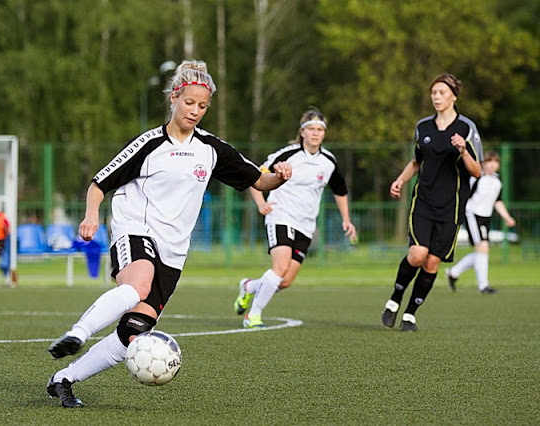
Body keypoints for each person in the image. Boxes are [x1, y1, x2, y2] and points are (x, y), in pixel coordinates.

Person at [45, 59, 292, 408]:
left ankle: (64, 379)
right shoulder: (149, 144)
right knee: (138, 285)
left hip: (173, 251)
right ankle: (78, 333)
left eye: (202, 106)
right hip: (135, 228)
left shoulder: (211, 149)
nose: (195, 111)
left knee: (134, 330)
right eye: (189, 102)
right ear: (174, 98)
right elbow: (99, 183)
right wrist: (90, 216)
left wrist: (280, 176)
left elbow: (259, 180)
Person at [233, 109, 357, 328]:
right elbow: (256, 175)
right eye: (311, 129)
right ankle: (253, 316)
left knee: (286, 280)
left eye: (320, 129)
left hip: (306, 225)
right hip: (281, 215)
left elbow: (340, 190)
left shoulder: (329, 161)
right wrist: (261, 203)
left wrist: (346, 219)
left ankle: (250, 287)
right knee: (279, 267)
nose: (316, 133)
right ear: (302, 132)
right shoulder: (288, 155)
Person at [381, 73, 483, 332]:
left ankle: (410, 314)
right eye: (433, 93)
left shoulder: (466, 128)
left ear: (454, 96)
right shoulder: (423, 127)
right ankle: (394, 299)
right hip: (423, 201)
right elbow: (416, 161)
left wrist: (462, 150)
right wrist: (400, 180)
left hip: (451, 207)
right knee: (417, 254)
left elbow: (477, 171)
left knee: (432, 263)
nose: (436, 97)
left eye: (442, 93)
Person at [445, 151, 515, 294]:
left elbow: (497, 201)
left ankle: (453, 272)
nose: (493, 164)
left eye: (496, 161)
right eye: (490, 161)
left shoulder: (497, 182)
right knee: (483, 248)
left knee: (481, 251)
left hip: (485, 218)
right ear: (483, 163)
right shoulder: (477, 178)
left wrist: (507, 217)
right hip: (472, 215)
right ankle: (483, 286)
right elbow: (464, 196)